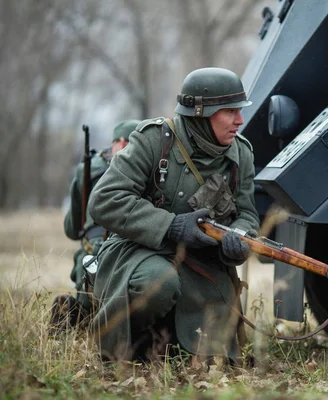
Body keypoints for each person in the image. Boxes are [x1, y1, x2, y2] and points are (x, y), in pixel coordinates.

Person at [87, 67, 260, 363]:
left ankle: (173, 346)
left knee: (214, 357)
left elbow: (247, 214)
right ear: (201, 113)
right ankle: (132, 346)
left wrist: (240, 237)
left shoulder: (240, 154)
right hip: (139, 251)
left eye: (239, 111)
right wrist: (170, 225)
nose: (239, 121)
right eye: (229, 111)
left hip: (201, 263)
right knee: (158, 283)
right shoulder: (154, 140)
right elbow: (104, 200)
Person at [49, 120, 140, 334]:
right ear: (121, 142)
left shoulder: (89, 170)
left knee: (88, 300)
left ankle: (79, 316)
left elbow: (72, 228)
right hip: (127, 251)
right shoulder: (145, 167)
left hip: (94, 253)